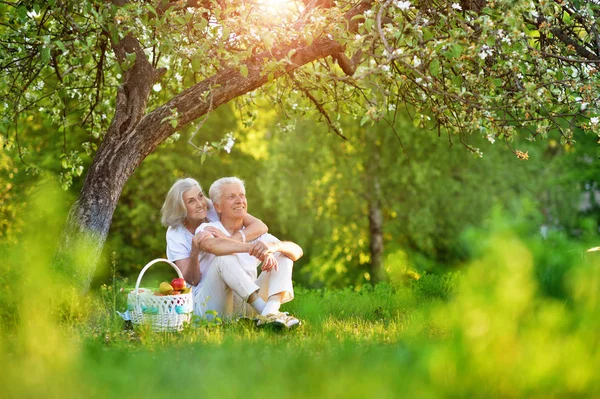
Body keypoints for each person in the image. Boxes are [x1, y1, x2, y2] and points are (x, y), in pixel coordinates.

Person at [193, 176, 303, 328]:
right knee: (223, 259)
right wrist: (252, 248)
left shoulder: (254, 233)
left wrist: (273, 247)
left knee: (284, 255)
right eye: (231, 197)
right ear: (218, 207)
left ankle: (269, 311)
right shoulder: (209, 228)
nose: (239, 200)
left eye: (242, 195)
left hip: (245, 306)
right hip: (213, 307)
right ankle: (268, 314)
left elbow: (297, 251)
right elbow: (212, 246)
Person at [161, 177, 268, 287]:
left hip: (229, 275)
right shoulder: (175, 233)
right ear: (180, 208)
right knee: (224, 258)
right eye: (191, 201)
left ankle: (264, 300)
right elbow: (192, 281)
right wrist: (194, 253)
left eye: (200, 196)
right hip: (203, 289)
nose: (200, 204)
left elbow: (260, 226)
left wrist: (229, 240)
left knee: (269, 243)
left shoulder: (213, 208)